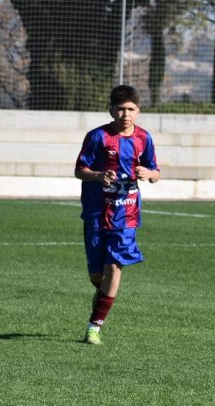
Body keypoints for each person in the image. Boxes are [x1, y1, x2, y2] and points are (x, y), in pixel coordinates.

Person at [74, 84, 161, 345]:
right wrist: (99, 175)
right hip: (97, 212)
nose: (126, 114)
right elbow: (80, 170)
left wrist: (149, 174)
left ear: (138, 111)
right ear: (111, 110)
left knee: (115, 265)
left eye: (131, 109)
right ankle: (101, 297)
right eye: (121, 109)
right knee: (96, 275)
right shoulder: (97, 137)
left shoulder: (144, 138)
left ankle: (94, 327)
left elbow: (156, 172)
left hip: (126, 214)